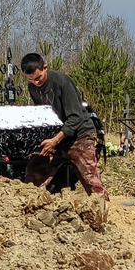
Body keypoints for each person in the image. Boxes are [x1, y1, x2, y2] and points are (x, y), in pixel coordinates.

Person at [20, 52, 108, 200]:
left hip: (80, 135)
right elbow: (43, 115)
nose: (36, 82)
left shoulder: (62, 82)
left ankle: (103, 210)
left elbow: (76, 117)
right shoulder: (32, 88)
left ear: (45, 68)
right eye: (30, 80)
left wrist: (55, 140)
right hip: (57, 137)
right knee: (34, 169)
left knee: (89, 177)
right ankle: (33, 206)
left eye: (38, 77)